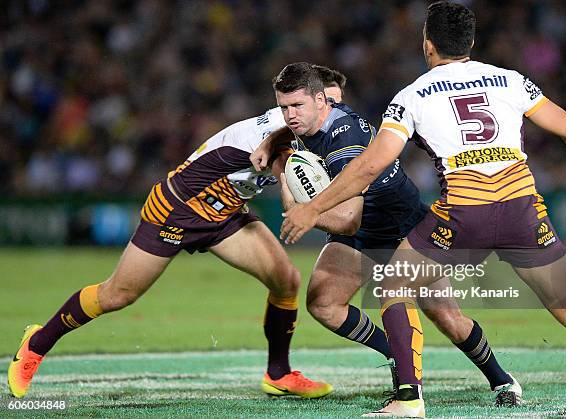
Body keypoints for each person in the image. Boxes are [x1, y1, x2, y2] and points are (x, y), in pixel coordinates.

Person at [280, 2, 566, 417]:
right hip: (523, 210)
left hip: (462, 217)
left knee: (395, 285)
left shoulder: (413, 95)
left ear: (428, 44)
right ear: (471, 42)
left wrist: (312, 210)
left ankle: (408, 400)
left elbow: (369, 166)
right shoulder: (510, 80)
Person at [7, 87, 341, 401]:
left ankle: (278, 374)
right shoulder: (285, 132)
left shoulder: (297, 125)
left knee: (286, 280)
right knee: (118, 294)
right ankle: (37, 342)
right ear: (311, 100)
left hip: (224, 213)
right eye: (329, 104)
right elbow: (288, 181)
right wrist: (306, 211)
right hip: (178, 209)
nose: (334, 113)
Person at [255, 62, 521, 409]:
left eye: (296, 106)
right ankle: (396, 353)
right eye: (284, 107)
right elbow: (290, 130)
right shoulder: (313, 116)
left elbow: (348, 220)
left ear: (322, 101)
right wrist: (270, 141)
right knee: (324, 303)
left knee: (447, 319)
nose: (290, 115)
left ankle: (502, 380)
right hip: (365, 228)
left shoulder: (344, 141)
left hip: (402, 229)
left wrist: (305, 211)